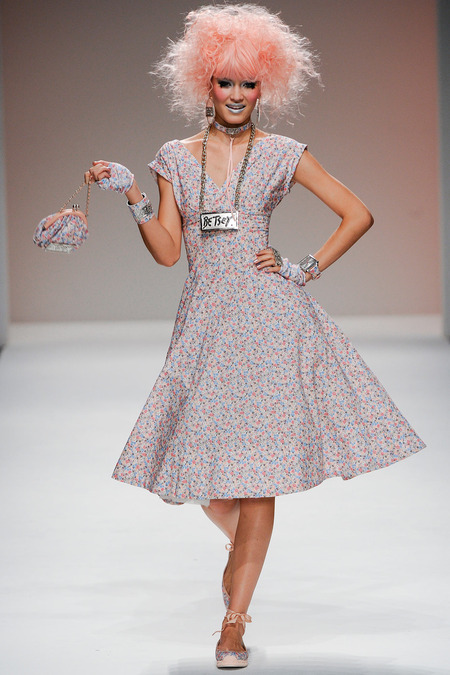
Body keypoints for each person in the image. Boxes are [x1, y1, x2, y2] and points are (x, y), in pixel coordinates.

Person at [85, 4, 425, 669]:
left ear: (266, 85)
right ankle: (241, 548)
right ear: (204, 83)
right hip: (205, 325)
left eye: (249, 83)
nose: (237, 94)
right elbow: (167, 251)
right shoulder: (173, 158)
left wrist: (304, 268)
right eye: (226, 82)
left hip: (269, 322)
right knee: (194, 477)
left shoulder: (282, 154)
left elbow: (357, 213)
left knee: (258, 478)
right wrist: (131, 197)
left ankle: (232, 624)